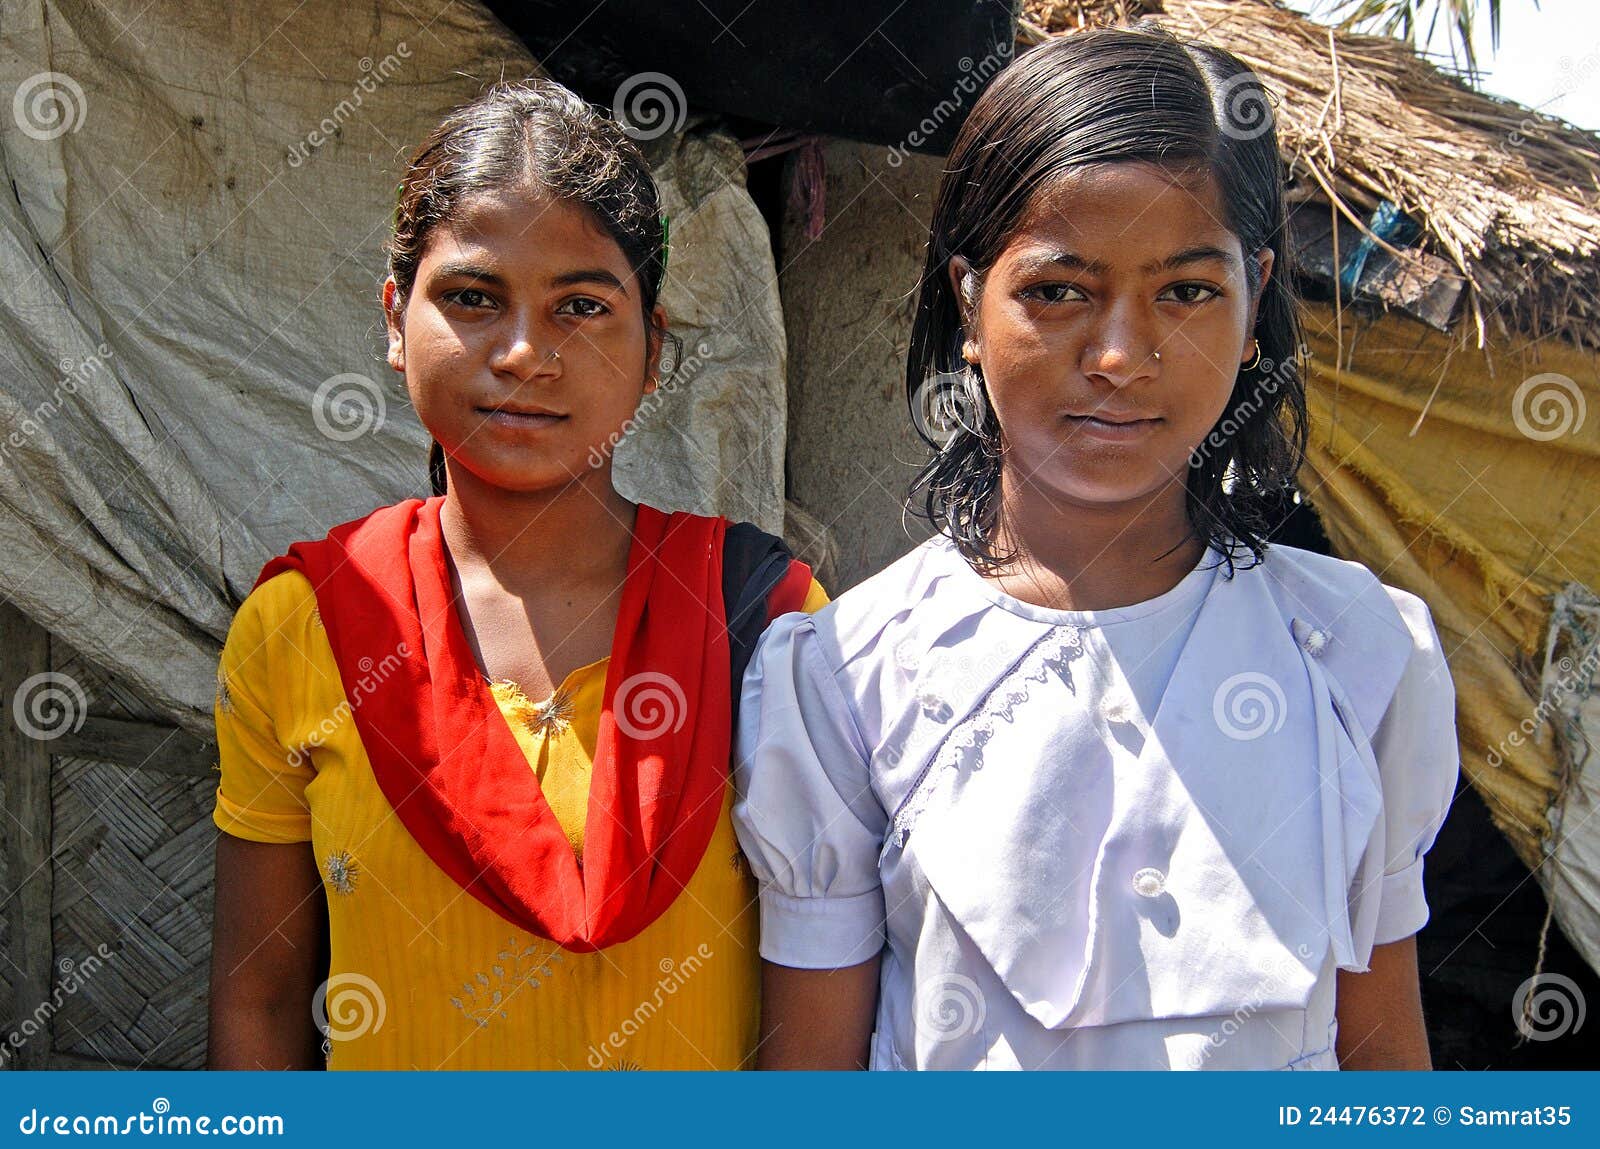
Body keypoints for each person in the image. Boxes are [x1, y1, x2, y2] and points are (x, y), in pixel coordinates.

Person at [732, 26, 1458, 1070]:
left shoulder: (1359, 657)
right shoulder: (845, 676)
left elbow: (1388, 1072)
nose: (1120, 355)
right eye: (1059, 291)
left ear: (1255, 299)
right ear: (968, 303)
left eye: (1187, 292)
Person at [207, 79, 823, 1070]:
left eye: (581, 306)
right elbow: (260, 998)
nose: (526, 352)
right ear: (394, 320)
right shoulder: (308, 624)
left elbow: (821, 1011)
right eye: (472, 298)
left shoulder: (765, 620)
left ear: (653, 349)